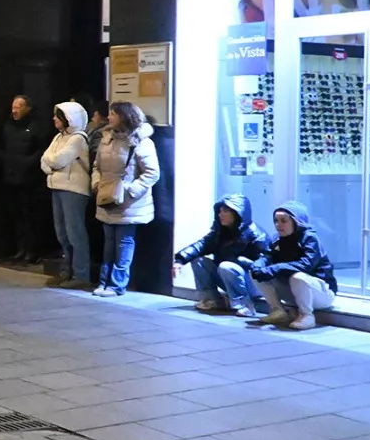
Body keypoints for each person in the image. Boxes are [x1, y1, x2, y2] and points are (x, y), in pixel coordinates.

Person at [90, 100, 160, 297]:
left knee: (124, 243)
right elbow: (97, 166)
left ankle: (117, 285)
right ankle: (103, 282)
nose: (109, 117)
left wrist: (129, 191)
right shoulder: (106, 139)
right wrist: (96, 183)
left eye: (113, 114)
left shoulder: (142, 142)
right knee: (108, 243)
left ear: (125, 117)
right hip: (106, 198)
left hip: (129, 203)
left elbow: (152, 173)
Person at [174, 195, 267, 319]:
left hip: (253, 282)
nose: (220, 214)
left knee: (226, 266)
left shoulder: (256, 235)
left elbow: (264, 264)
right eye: (220, 211)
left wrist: (240, 262)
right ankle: (212, 300)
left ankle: (245, 305)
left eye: (225, 211)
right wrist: (180, 260)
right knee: (198, 261)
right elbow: (201, 245)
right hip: (229, 277)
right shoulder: (220, 232)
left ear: (237, 213)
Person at [250, 202, 337, 330]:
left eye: (283, 220)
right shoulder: (277, 239)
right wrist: (258, 265)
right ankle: (278, 311)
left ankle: (306, 315)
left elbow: (306, 264)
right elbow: (266, 256)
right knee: (255, 272)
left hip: (320, 294)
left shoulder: (310, 239)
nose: (278, 225)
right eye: (276, 221)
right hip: (295, 291)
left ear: (296, 222)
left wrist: (276, 268)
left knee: (298, 277)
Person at [41, 100, 93, 290]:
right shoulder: (58, 138)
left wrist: (52, 161)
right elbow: (44, 161)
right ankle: (66, 271)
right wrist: (51, 162)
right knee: (62, 233)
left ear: (69, 119)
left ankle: (81, 274)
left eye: (59, 116)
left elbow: (57, 159)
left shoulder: (78, 138)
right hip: (57, 187)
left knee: (75, 233)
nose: (54, 118)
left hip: (74, 190)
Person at [0, 95, 48, 263]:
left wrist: (27, 163)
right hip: (11, 178)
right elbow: (2, 147)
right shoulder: (8, 125)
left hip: (29, 179)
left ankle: (32, 250)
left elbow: (40, 150)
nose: (14, 110)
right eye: (13, 106)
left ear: (28, 108)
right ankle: (20, 248)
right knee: (16, 215)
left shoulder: (36, 126)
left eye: (18, 106)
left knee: (30, 216)